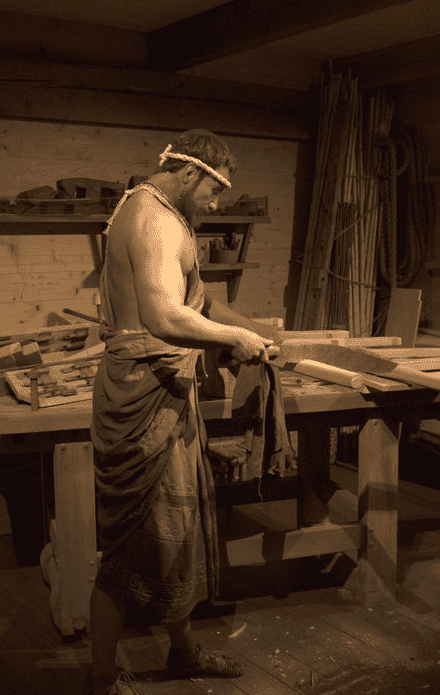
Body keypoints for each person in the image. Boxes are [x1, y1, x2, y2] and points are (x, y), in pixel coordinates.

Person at [85, 129, 281, 695]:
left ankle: (183, 652)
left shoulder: (162, 212)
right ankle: (100, 677)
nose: (218, 205)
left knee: (178, 529)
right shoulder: (153, 219)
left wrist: (254, 329)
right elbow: (165, 316)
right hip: (142, 397)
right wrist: (233, 341)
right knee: (134, 542)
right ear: (192, 173)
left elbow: (199, 300)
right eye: (217, 191)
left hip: (167, 392)